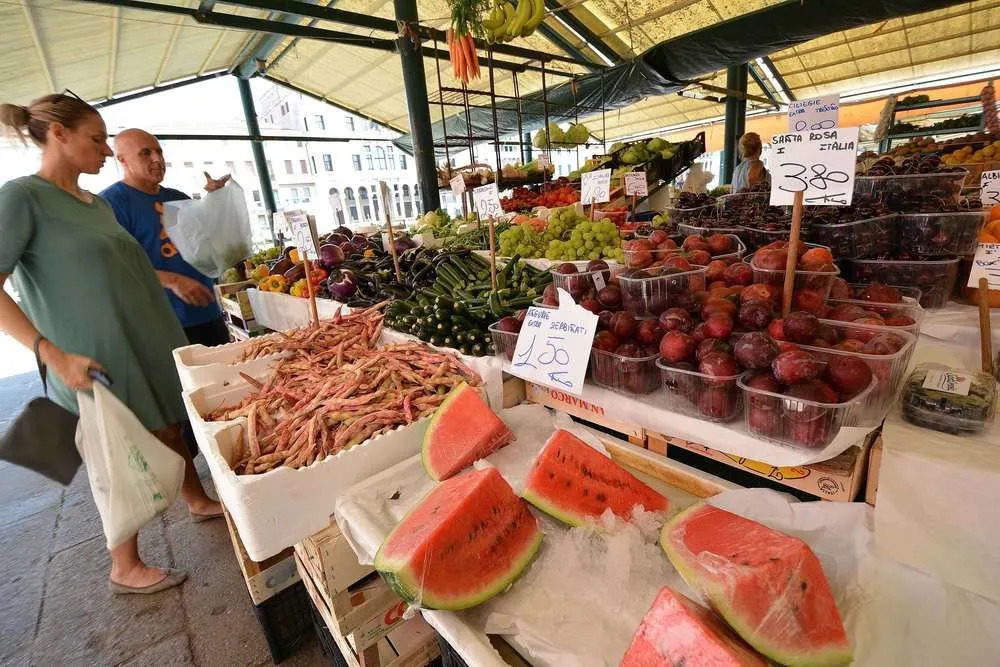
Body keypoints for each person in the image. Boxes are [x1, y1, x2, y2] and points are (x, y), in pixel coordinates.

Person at [0, 93, 222, 595]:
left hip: (143, 336)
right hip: (89, 352)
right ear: (59, 134)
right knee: (115, 450)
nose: (105, 151)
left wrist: (169, 282)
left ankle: (195, 499)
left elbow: (127, 263)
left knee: (168, 425)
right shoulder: (22, 197)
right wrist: (50, 353)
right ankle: (124, 564)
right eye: (96, 139)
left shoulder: (95, 203)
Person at [101, 129, 231, 347]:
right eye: (145, 153)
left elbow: (204, 242)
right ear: (122, 159)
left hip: (208, 312)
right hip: (161, 323)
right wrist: (174, 281)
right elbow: (113, 265)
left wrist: (214, 201)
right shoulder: (111, 203)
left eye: (159, 152)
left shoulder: (177, 198)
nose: (157, 159)